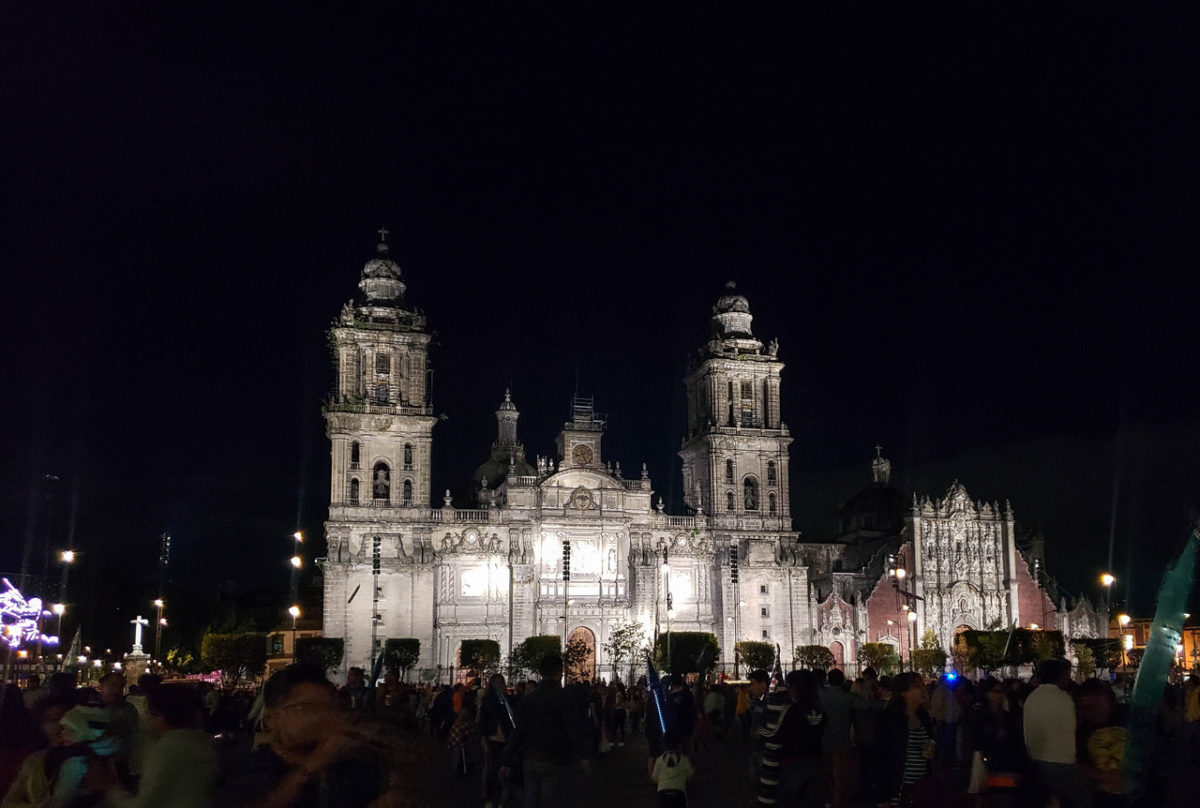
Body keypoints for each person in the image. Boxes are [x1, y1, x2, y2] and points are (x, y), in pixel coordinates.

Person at [91, 685, 216, 808]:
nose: (145, 719)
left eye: (147, 712)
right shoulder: (202, 743)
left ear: (159, 716)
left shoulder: (167, 749)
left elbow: (144, 804)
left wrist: (111, 791)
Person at [502, 656, 591, 808]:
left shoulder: (529, 699)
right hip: (555, 758)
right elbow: (573, 729)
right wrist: (583, 755)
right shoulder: (565, 697)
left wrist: (507, 760)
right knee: (552, 800)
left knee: (530, 800)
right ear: (559, 673)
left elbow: (518, 731)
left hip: (531, 757)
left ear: (541, 673)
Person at [1024, 658, 1094, 808]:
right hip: (1062, 763)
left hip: (1036, 760)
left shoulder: (1032, 697)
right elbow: (1073, 729)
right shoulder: (1064, 698)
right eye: (1067, 674)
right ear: (1060, 676)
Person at [875, 672, 935, 807]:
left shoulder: (924, 717)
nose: (922, 690)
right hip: (899, 786)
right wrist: (882, 796)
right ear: (904, 693)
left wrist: (932, 750)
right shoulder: (890, 718)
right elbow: (880, 757)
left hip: (922, 785)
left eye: (922, 685)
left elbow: (931, 744)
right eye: (916, 687)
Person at [769, 670, 826, 808]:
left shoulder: (792, 710)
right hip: (816, 762)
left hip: (793, 763)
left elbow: (778, 735)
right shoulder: (819, 709)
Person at [477, 673, 516, 808]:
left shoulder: (508, 701)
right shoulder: (488, 702)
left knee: (504, 771)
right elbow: (482, 722)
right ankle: (489, 798)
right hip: (492, 739)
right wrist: (483, 739)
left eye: (502, 683)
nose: (500, 685)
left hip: (506, 741)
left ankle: (501, 799)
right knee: (492, 770)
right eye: (497, 683)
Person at [820, 669, 854, 808]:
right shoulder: (846, 697)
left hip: (823, 738)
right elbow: (864, 705)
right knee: (840, 774)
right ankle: (838, 801)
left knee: (825, 771)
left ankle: (826, 798)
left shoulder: (821, 695)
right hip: (841, 739)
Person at [651, 731, 694, 808]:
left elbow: (654, 777)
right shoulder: (684, 759)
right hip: (679, 791)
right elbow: (690, 773)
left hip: (663, 792)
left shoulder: (660, 760)